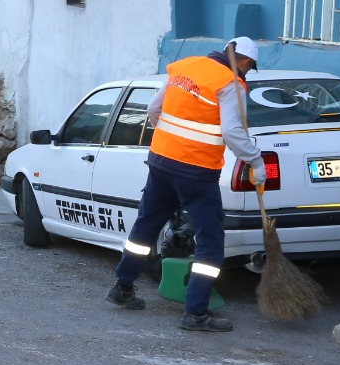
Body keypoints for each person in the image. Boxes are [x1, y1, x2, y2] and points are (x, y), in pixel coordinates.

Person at [104, 36, 266, 332]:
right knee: (210, 240)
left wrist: (170, 143)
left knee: (145, 226)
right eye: (249, 68)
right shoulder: (231, 83)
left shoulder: (186, 67)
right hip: (196, 171)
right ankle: (195, 313)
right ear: (245, 62)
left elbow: (154, 110)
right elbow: (231, 131)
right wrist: (256, 161)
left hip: (161, 162)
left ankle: (122, 287)